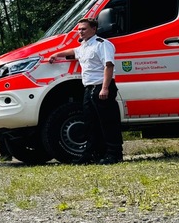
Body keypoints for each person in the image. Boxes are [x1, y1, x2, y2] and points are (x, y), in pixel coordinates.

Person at [49, 19, 123, 164]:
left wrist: (105, 88)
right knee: (91, 123)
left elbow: (108, 66)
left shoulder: (102, 44)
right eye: (79, 29)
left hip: (101, 87)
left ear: (94, 29)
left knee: (107, 122)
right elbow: (73, 52)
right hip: (89, 88)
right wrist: (56, 55)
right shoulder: (84, 46)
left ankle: (114, 154)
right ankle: (93, 154)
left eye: (83, 29)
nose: (80, 31)